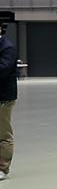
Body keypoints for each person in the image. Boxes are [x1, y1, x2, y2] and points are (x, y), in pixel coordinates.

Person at [0, 22, 17, 180]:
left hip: (4, 98)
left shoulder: (8, 48)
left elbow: (3, 70)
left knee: (3, 133)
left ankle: (3, 168)